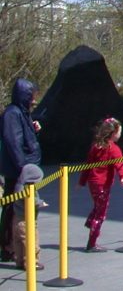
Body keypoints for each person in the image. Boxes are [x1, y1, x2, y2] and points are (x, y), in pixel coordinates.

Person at [0, 78, 42, 262]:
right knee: (14, 211)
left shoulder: (22, 113)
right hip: (17, 171)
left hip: (24, 169)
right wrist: (22, 169)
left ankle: (11, 246)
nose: (34, 101)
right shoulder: (12, 114)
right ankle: (8, 246)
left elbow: (22, 138)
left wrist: (34, 129)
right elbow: (13, 142)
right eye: (32, 97)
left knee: (19, 210)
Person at [78, 117, 123, 253]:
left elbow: (87, 165)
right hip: (103, 184)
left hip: (93, 182)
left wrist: (82, 181)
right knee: (101, 213)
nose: (120, 135)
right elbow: (120, 164)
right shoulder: (114, 149)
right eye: (119, 132)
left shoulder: (95, 146)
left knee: (98, 204)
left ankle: (90, 222)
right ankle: (92, 242)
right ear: (113, 133)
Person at [11, 164, 46, 271]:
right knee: (31, 241)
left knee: (18, 242)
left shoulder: (18, 185)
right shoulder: (28, 189)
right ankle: (32, 262)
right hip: (27, 220)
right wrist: (41, 203)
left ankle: (19, 261)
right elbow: (32, 201)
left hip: (17, 219)